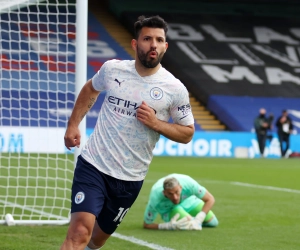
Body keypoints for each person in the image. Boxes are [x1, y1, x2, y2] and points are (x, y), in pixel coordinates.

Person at [61, 15, 195, 250]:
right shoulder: (113, 69)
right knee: (80, 232)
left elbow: (187, 133)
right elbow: (90, 89)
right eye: (147, 38)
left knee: (96, 240)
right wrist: (73, 124)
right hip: (94, 165)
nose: (153, 44)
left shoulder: (175, 89)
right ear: (135, 44)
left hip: (130, 179)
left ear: (165, 46)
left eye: (159, 39)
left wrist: (156, 123)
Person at [143, 173, 218, 230]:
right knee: (189, 224)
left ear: (181, 187)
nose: (175, 197)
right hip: (169, 209)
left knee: (213, 222)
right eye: (170, 194)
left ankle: (194, 220)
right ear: (164, 192)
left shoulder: (189, 184)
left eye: (177, 192)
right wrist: (166, 226)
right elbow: (146, 224)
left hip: (188, 201)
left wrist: (199, 219)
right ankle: (189, 219)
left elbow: (210, 199)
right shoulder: (155, 197)